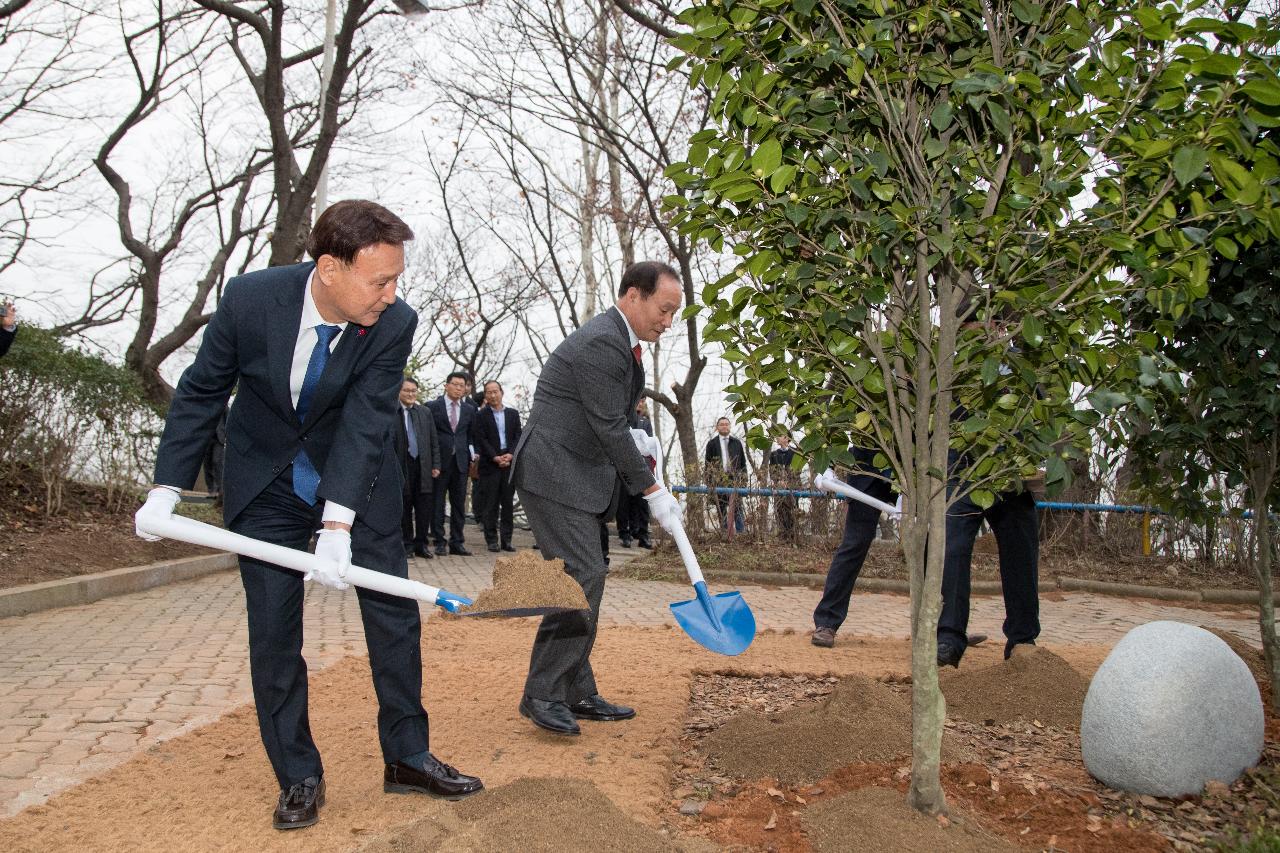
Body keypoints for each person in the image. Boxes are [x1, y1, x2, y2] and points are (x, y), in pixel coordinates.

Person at [133, 200, 482, 831]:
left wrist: (338, 521)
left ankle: (406, 756)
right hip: (264, 480)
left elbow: (367, 419)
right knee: (274, 632)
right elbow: (203, 390)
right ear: (328, 268)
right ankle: (298, 774)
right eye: (380, 279)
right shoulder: (249, 300)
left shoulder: (393, 322)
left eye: (397, 277)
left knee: (392, 617)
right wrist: (167, 488)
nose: (391, 292)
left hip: (357, 482)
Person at [510, 260, 685, 737]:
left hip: (576, 473)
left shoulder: (622, 342)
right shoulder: (604, 342)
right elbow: (608, 426)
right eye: (664, 310)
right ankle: (543, 691)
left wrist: (641, 443)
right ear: (633, 296)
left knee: (588, 576)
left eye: (673, 315)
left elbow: (611, 417)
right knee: (580, 576)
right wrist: (650, 490)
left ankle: (576, 688)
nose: (667, 323)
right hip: (555, 471)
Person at [936, 465, 1040, 667]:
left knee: (1021, 551)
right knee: (951, 549)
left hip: (1010, 469)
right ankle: (948, 639)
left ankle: (1022, 640)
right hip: (961, 470)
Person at [810, 448, 895, 648]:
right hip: (867, 471)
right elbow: (837, 424)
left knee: (932, 549)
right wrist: (826, 466)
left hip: (915, 472)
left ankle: (947, 630)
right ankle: (826, 622)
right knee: (854, 544)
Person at [426, 371, 477, 556]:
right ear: (446, 385)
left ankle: (457, 541)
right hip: (440, 463)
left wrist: (472, 453)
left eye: (461, 385)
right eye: (454, 384)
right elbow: (429, 436)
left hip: (461, 464)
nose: (458, 388)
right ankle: (439, 540)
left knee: (458, 505)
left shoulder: (470, 410)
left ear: (465, 389)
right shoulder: (433, 407)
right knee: (438, 503)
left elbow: (471, 436)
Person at [395, 377, 441, 559]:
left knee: (424, 508)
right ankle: (407, 544)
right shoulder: (393, 411)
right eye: (407, 390)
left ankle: (421, 544)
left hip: (424, 466)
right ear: (399, 391)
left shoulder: (425, 412)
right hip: (403, 465)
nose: (411, 394)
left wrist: (436, 464)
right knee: (405, 506)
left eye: (414, 391)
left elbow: (434, 441)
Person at [474, 379, 521, 552]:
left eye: (496, 391)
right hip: (490, 464)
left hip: (509, 464)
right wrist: (495, 457)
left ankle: (507, 540)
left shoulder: (513, 414)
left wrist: (510, 454)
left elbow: (518, 436)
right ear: (485, 395)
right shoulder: (480, 415)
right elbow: (481, 439)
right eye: (489, 392)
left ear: (502, 392)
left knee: (507, 504)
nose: (493, 395)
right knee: (490, 504)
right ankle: (491, 540)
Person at [617, 399, 654, 548]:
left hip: (641, 467)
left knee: (643, 502)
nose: (640, 403)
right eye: (638, 400)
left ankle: (643, 535)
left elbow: (650, 443)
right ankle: (624, 534)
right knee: (623, 503)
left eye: (643, 401)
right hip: (623, 466)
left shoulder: (646, 422)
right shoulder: (622, 419)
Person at [704, 416, 748, 533]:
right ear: (717, 427)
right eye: (722, 424)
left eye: (726, 424)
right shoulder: (712, 444)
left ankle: (740, 533)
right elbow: (707, 464)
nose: (724, 426)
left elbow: (743, 464)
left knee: (738, 508)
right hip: (719, 480)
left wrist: (743, 481)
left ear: (730, 426)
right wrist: (709, 482)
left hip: (735, 480)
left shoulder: (737, 443)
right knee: (721, 508)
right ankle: (724, 533)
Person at [767, 434, 799, 541]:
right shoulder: (774, 454)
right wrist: (778, 481)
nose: (777, 438)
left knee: (793, 512)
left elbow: (798, 470)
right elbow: (771, 471)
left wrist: (790, 481)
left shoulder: (796, 453)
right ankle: (783, 535)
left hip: (792, 488)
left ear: (786, 438)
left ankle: (793, 536)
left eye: (779, 436)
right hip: (779, 488)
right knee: (780, 511)